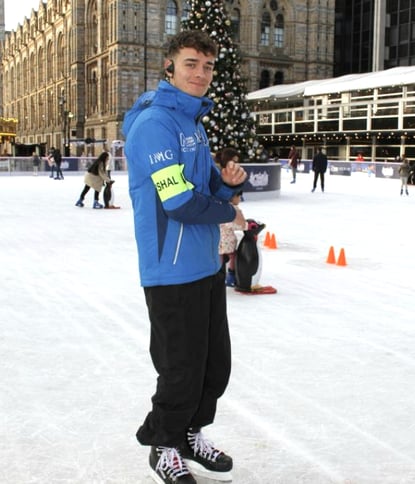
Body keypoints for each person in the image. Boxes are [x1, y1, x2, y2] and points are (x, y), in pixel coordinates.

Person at [122, 30, 247, 484]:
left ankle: (190, 433)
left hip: (205, 263)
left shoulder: (193, 123)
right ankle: (164, 445)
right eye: (191, 64)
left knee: (214, 365)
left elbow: (205, 186)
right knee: (181, 369)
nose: (201, 74)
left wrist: (229, 183)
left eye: (208, 66)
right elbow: (176, 201)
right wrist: (227, 210)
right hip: (170, 271)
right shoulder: (155, 124)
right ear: (169, 67)